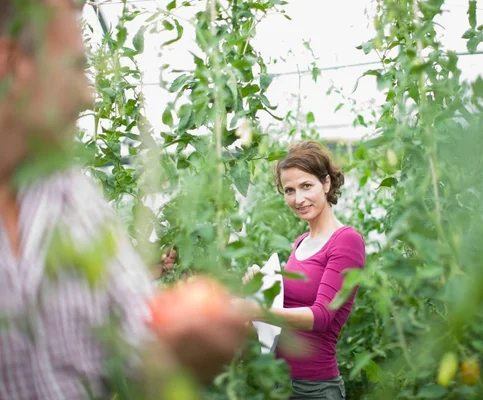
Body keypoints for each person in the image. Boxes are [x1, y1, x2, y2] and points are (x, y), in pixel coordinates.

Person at [0, 1, 247, 399]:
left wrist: (185, 339)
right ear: (11, 64)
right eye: (76, 67)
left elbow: (141, 353)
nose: (89, 97)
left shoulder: (71, 194)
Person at [241, 141, 366, 399]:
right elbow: (286, 310)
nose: (298, 199)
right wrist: (260, 288)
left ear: (327, 184)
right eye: (289, 190)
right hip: (281, 383)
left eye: (306, 186)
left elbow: (321, 317)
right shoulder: (300, 242)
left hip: (315, 389)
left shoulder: (346, 241)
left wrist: (262, 311)